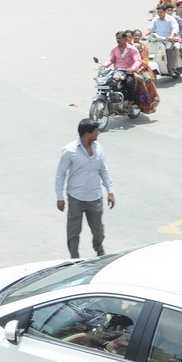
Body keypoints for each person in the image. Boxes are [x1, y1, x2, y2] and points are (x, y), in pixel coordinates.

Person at [55, 119, 115, 259]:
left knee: (98, 230)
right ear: (87, 134)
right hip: (76, 197)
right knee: (73, 231)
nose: (98, 133)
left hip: (95, 197)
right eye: (96, 131)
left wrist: (110, 191)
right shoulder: (69, 151)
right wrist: (60, 197)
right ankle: (74, 258)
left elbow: (103, 170)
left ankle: (99, 249)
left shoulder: (99, 148)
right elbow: (61, 174)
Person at [104, 30, 141, 102]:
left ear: (125, 39)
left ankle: (131, 103)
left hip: (129, 72)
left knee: (129, 84)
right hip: (118, 71)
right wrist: (104, 65)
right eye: (117, 38)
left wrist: (132, 68)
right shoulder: (114, 49)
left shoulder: (132, 49)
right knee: (108, 82)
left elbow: (138, 60)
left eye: (120, 38)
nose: (118, 40)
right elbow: (110, 59)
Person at [146, 4, 181, 74]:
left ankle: (171, 68)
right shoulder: (155, 18)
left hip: (168, 40)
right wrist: (144, 35)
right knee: (147, 48)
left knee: (168, 49)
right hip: (157, 39)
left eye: (161, 12)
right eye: (158, 12)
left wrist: (171, 36)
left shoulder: (171, 19)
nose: (159, 14)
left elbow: (175, 28)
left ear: (165, 12)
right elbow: (150, 28)